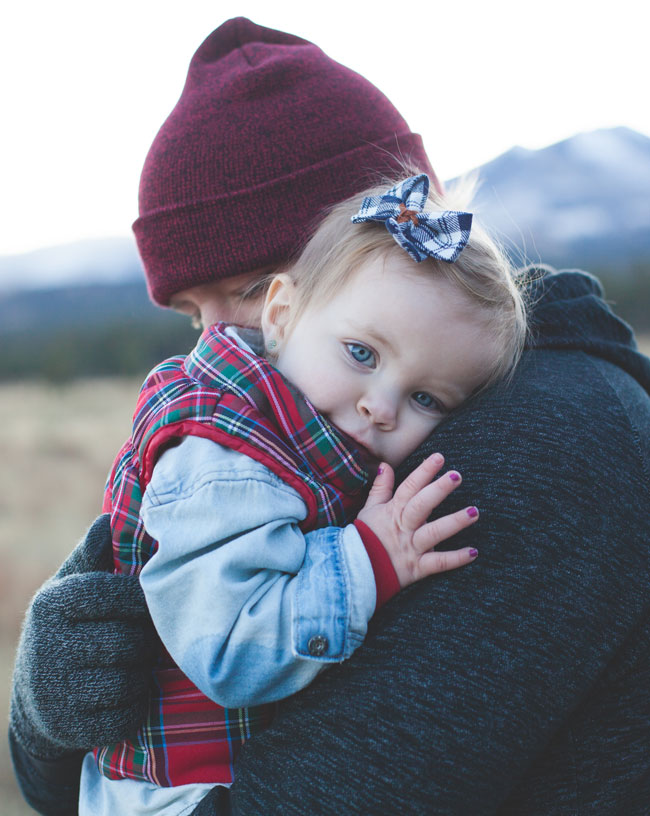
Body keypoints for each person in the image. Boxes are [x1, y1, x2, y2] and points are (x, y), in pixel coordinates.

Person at [10, 16, 650, 816]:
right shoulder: (279, 432)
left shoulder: (544, 442)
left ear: (385, 239)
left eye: (247, 289)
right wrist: (46, 711)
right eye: (189, 314)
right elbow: (61, 783)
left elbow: (322, 789)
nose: (219, 346)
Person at [81, 173, 525, 815]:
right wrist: (368, 558)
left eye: (426, 398)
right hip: (175, 796)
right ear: (282, 315)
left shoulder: (308, 432)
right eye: (361, 353)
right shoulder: (225, 459)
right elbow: (230, 651)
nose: (381, 406)